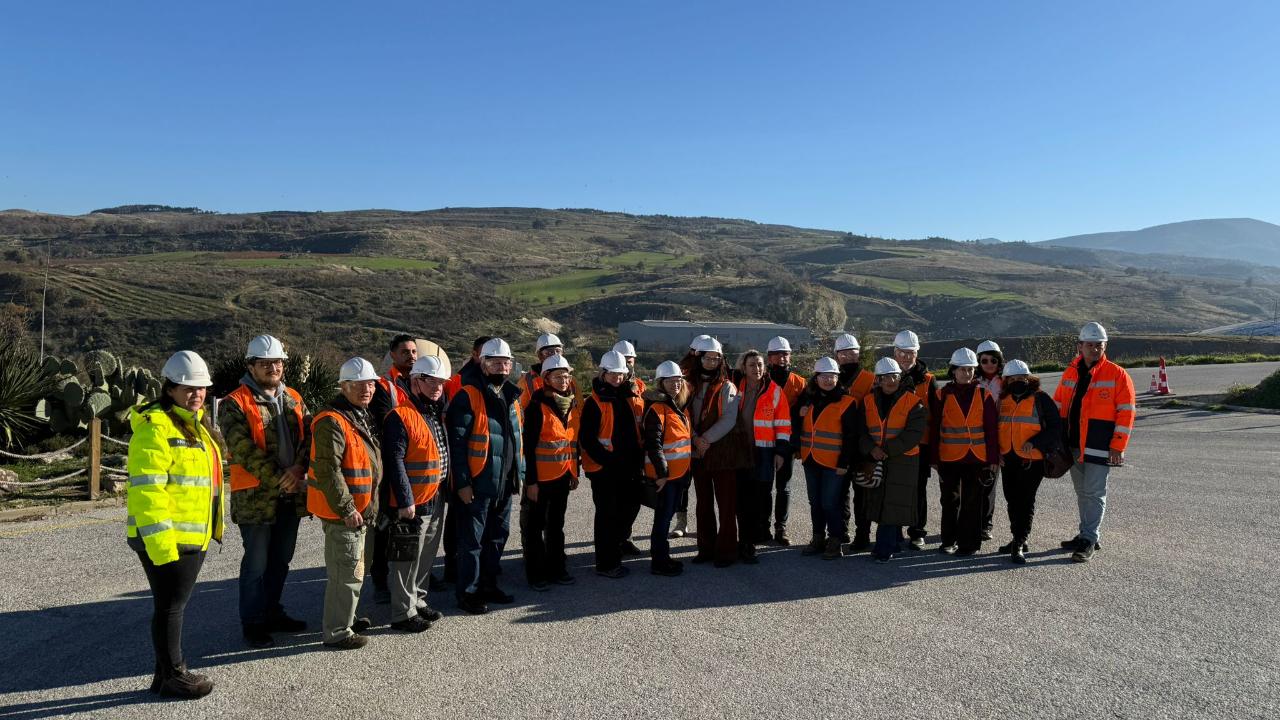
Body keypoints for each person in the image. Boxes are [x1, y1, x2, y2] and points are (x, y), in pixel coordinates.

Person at [126, 350, 222, 699]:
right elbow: (147, 491)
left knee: (170, 604)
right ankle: (174, 675)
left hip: (189, 537)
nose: (196, 394)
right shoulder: (156, 428)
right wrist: (162, 544)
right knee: (170, 606)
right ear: (170, 388)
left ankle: (163, 674)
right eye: (187, 388)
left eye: (201, 388)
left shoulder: (193, 423)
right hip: (168, 538)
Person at [218, 334, 310, 650]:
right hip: (256, 500)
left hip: (291, 495)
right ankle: (253, 623)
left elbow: (310, 438)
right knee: (256, 564)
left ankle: (272, 612)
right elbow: (243, 450)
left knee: (280, 561)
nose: (273, 367)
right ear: (251, 366)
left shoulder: (295, 398)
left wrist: (298, 470)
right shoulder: (234, 403)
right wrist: (282, 479)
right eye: (265, 363)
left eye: (278, 362)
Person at [309, 357, 383, 650]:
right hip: (347, 514)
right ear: (344, 386)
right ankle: (338, 631)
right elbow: (329, 470)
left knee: (358, 568)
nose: (367, 389)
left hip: (363, 511)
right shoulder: (332, 421)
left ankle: (347, 618)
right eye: (359, 384)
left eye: (371, 384)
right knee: (346, 572)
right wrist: (347, 507)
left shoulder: (359, 415)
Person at [446, 338, 524, 614]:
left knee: (497, 536)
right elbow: (457, 444)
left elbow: (516, 439)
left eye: (506, 362)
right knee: (472, 542)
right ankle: (468, 593)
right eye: (495, 362)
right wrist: (463, 483)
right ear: (483, 362)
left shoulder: (510, 395)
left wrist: (519, 477)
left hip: (503, 483)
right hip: (478, 484)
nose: (501, 367)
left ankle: (489, 585)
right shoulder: (469, 394)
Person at [1052, 322, 1136, 563]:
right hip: (1073, 443)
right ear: (1080, 346)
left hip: (1100, 444)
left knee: (1095, 492)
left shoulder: (1117, 374)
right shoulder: (1071, 372)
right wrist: (1056, 439)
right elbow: (1058, 405)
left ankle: (1089, 538)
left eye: (1099, 345)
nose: (1095, 349)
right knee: (1082, 492)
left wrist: (1118, 446)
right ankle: (1086, 534)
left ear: (1105, 346)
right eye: (1090, 345)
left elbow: (1126, 412)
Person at [381, 355, 451, 631]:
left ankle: (418, 601)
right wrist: (405, 499)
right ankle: (402, 613)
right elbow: (394, 460)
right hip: (414, 499)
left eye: (440, 382)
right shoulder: (401, 415)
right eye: (430, 380)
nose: (436, 386)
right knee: (407, 558)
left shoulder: (434, 413)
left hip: (436, 494)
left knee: (426, 554)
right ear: (415, 381)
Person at [580, 350, 645, 578]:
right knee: (607, 515)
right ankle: (606, 564)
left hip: (628, 467)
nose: (618, 378)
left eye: (621, 374)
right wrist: (609, 462)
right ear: (603, 373)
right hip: (604, 470)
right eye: (613, 374)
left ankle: (616, 548)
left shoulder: (628, 396)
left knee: (628, 508)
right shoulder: (594, 402)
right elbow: (587, 439)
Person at [930, 348, 1000, 556]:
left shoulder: (984, 395)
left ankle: (968, 543)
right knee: (950, 500)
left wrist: (993, 458)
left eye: (970, 370)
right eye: (963, 370)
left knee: (972, 501)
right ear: (953, 370)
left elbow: (991, 429)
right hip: (949, 457)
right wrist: (933, 458)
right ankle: (948, 541)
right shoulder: (941, 395)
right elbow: (934, 428)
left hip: (976, 457)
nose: (967, 374)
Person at [687, 335, 748, 568]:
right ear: (699, 358)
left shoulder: (727, 386)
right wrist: (694, 439)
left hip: (722, 453)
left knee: (726, 503)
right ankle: (706, 548)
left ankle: (726, 551)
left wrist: (704, 440)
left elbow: (729, 419)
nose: (712, 362)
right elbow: (684, 414)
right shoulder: (688, 384)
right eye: (708, 358)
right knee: (703, 502)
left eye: (716, 358)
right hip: (699, 453)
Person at [520, 354, 580, 591]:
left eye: (566, 376)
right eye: (558, 376)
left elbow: (571, 443)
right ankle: (536, 574)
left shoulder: (571, 404)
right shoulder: (537, 406)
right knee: (534, 527)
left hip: (562, 476)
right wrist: (531, 482)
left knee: (556, 525)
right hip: (540, 480)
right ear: (546, 378)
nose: (564, 380)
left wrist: (573, 473)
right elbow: (530, 447)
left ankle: (557, 568)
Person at [859, 358, 927, 562]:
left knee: (893, 503)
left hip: (902, 461)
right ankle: (892, 543)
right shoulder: (867, 401)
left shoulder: (914, 402)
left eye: (895, 376)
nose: (891, 380)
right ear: (878, 380)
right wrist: (871, 449)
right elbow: (860, 431)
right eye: (886, 377)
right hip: (876, 458)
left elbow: (913, 434)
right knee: (879, 502)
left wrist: (885, 450)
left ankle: (883, 548)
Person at [793, 357, 861, 560]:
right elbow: (794, 423)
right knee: (815, 502)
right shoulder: (807, 400)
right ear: (816, 377)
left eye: (832, 376)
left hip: (834, 464)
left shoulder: (847, 402)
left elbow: (851, 436)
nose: (828, 380)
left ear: (838, 378)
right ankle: (818, 538)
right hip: (811, 460)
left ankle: (835, 540)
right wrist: (799, 414)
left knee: (830, 503)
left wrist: (844, 463)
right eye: (824, 375)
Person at [996, 359, 1063, 564]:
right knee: (1011, 500)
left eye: (1022, 378)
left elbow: (1055, 428)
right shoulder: (1002, 400)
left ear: (1029, 378)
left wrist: (1035, 442)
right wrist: (996, 453)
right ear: (1006, 380)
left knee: (1025, 501)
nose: (1018, 381)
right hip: (1007, 458)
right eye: (1013, 378)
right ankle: (1018, 536)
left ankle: (1019, 542)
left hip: (1031, 461)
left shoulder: (1041, 399)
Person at [368, 333, 418, 604]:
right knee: (386, 525)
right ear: (393, 355)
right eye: (404, 352)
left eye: (413, 352)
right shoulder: (384, 386)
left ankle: (412, 573)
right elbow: (386, 425)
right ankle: (381, 581)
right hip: (392, 464)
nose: (410, 356)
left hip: (416, 465)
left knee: (412, 524)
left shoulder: (420, 382)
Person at [731, 349, 791, 563]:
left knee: (760, 496)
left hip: (764, 451)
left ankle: (755, 537)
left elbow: (783, 424)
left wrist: (781, 452)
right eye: (751, 365)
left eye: (759, 364)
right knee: (742, 497)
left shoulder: (775, 391)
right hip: (739, 451)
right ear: (743, 369)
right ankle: (745, 542)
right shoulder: (735, 387)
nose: (756, 369)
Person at [440, 336, 491, 587]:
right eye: (485, 353)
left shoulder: (494, 383)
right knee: (458, 520)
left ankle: (473, 569)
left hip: (484, 467)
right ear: (474, 354)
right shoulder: (459, 382)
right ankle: (453, 566)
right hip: (461, 464)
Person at [643, 361, 693, 576]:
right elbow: (653, 445)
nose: (676, 384)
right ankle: (659, 562)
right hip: (666, 476)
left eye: (679, 380)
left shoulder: (677, 407)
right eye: (671, 381)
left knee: (667, 516)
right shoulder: (657, 409)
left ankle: (663, 557)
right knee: (663, 519)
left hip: (678, 474)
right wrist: (662, 475)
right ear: (661, 383)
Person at [895, 330, 938, 550]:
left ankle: (917, 532)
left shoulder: (929, 381)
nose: (905, 357)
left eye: (909, 353)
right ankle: (894, 531)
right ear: (895, 352)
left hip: (920, 445)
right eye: (901, 352)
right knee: (894, 489)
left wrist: (934, 451)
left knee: (918, 490)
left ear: (916, 353)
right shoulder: (887, 376)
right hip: (894, 446)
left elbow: (937, 417)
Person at [763, 336, 807, 546]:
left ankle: (781, 527)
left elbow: (803, 416)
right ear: (769, 358)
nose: (782, 358)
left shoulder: (799, 382)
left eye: (785, 354)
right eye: (777, 354)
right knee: (763, 486)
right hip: (763, 442)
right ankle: (763, 526)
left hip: (787, 443)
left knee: (784, 487)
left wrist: (797, 444)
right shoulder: (761, 379)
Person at [834, 332, 874, 551]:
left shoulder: (869, 379)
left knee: (862, 494)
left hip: (861, 446)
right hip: (838, 446)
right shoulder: (831, 377)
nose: (848, 356)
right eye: (844, 353)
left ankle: (863, 534)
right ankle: (841, 532)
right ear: (837, 355)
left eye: (853, 352)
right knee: (840, 493)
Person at [670, 335, 710, 538]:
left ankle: (706, 525)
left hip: (709, 438)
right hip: (687, 436)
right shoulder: (683, 376)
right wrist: (693, 436)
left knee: (706, 485)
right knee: (683, 483)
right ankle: (681, 521)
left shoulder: (718, 374)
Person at [975, 340, 1004, 541]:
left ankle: (985, 524)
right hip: (975, 439)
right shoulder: (971, 381)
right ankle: (968, 521)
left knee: (989, 483)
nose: (989, 364)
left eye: (993, 360)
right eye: (984, 360)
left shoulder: (1007, 381)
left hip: (999, 438)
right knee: (971, 484)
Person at [519, 332, 579, 409]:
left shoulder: (572, 381)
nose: (555, 355)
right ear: (540, 355)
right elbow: (520, 412)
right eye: (549, 352)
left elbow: (579, 409)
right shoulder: (527, 381)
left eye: (558, 351)